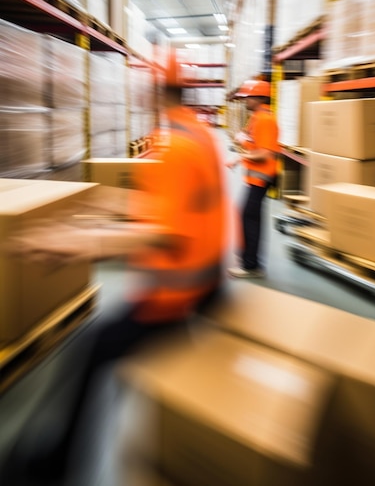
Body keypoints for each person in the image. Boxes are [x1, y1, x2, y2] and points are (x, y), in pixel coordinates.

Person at [2, 51, 228, 485]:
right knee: (103, 352)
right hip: (204, 284)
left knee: (93, 351)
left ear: (153, 89)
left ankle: (55, 466)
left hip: (178, 299)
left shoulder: (176, 145)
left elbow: (162, 233)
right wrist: (111, 205)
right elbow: (178, 209)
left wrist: (77, 245)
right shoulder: (195, 133)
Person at [226, 79, 279, 279]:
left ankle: (251, 265)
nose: (245, 101)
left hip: (261, 178)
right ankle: (248, 259)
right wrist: (242, 140)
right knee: (248, 216)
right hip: (254, 179)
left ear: (258, 98)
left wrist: (239, 158)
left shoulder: (264, 120)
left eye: (248, 97)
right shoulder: (257, 117)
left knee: (249, 217)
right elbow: (249, 139)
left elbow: (265, 154)